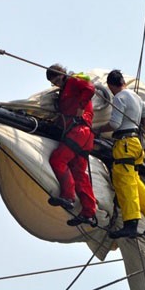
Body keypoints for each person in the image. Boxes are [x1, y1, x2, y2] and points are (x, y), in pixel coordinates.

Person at [95, 69, 145, 239]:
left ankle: (131, 223)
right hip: (136, 143)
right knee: (135, 183)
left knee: (124, 183)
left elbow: (114, 124)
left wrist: (98, 129)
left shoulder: (120, 98)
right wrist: (141, 128)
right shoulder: (135, 96)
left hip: (125, 144)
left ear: (111, 85)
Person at [46, 64, 98, 227]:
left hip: (79, 130)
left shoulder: (75, 80)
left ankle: (68, 196)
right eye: (54, 83)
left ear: (62, 75)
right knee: (79, 173)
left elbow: (89, 89)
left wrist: (81, 108)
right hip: (83, 135)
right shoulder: (65, 89)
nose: (57, 85)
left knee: (58, 160)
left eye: (57, 81)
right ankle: (89, 212)